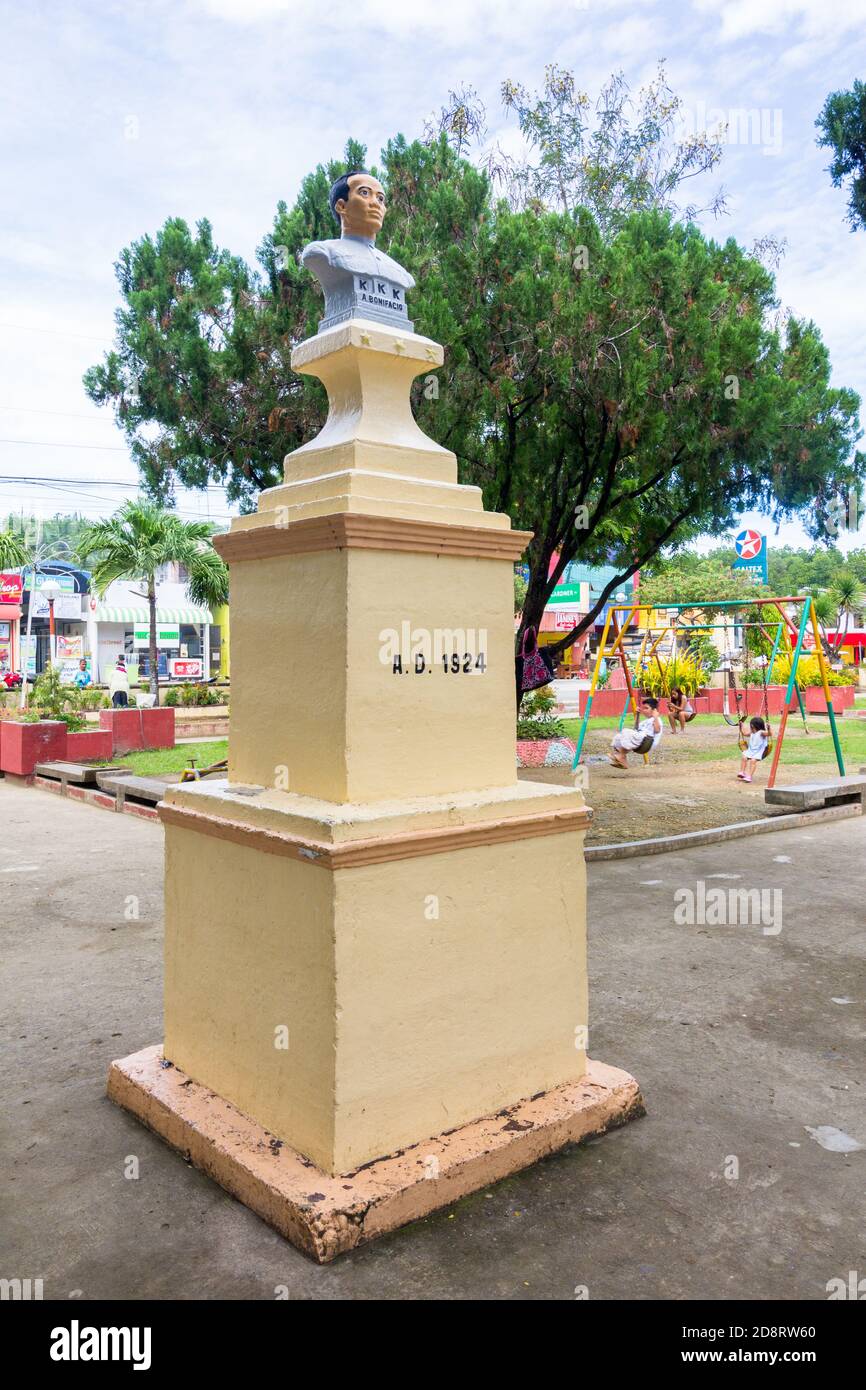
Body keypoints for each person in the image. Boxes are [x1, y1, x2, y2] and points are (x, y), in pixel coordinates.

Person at [609, 697, 663, 769]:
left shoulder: (656, 719)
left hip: (647, 743)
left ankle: (621, 756)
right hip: (641, 740)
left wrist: (656, 717)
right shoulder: (646, 721)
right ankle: (622, 759)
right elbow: (636, 729)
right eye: (643, 708)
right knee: (618, 737)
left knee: (626, 731)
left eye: (646, 708)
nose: (644, 710)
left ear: (654, 710)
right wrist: (637, 715)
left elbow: (657, 730)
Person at [737, 716, 768, 782]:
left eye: (751, 725)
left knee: (753, 761)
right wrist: (741, 726)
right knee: (744, 757)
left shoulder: (761, 732)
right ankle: (742, 772)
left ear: (753, 725)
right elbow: (744, 733)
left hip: (759, 751)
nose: (751, 726)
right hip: (751, 750)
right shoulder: (752, 732)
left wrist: (769, 728)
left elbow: (769, 734)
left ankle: (749, 776)